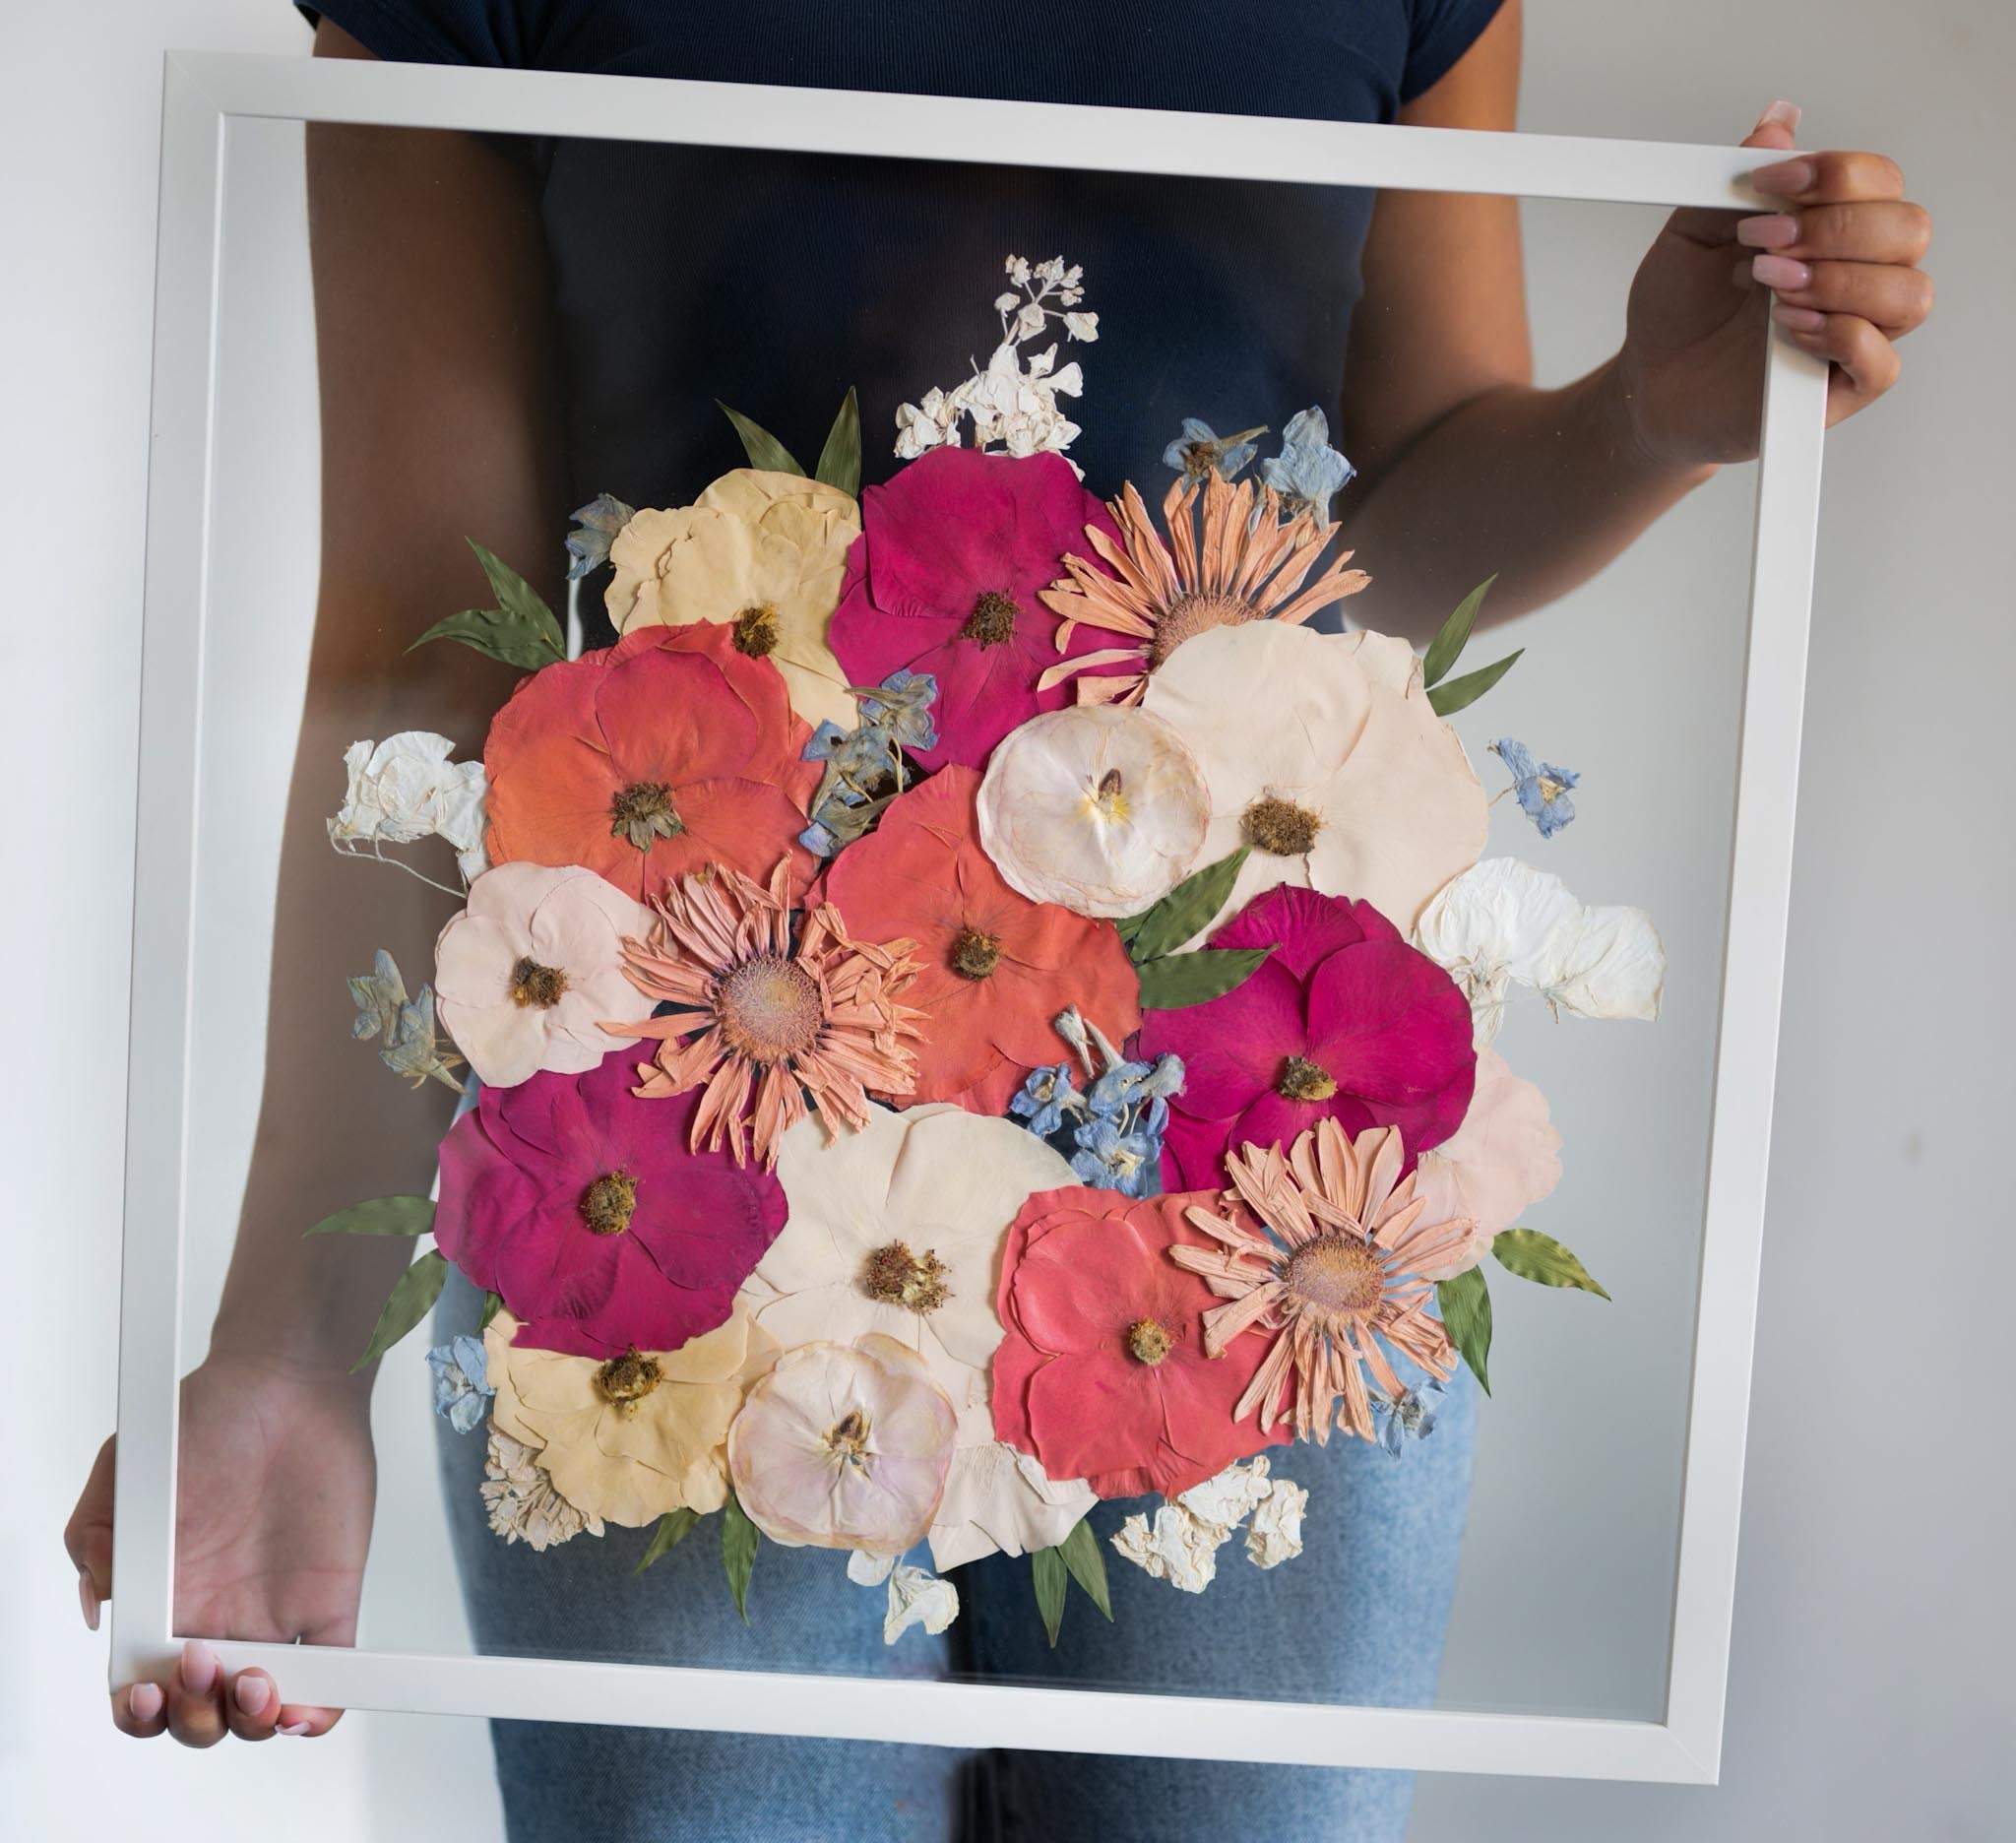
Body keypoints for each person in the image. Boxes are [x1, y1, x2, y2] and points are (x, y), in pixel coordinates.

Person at [66, 2, 1933, 1836]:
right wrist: (290, 1345)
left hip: (1257, 1153)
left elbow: (1383, 543)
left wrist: (1650, 416)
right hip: (685, 1135)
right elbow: (418, 648)